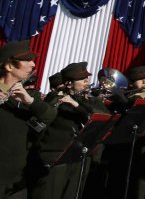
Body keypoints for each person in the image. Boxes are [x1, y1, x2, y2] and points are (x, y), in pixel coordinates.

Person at [30, 62, 110, 199]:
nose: (87, 81)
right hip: (56, 157)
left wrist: (77, 105)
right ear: (68, 84)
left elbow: (102, 119)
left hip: (80, 157)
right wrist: (70, 102)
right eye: (82, 79)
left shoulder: (91, 101)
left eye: (87, 78)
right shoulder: (56, 98)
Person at [0, 40, 56, 198]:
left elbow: (50, 117)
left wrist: (30, 102)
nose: (33, 64)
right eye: (27, 60)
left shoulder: (29, 96)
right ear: (9, 66)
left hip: (19, 180)